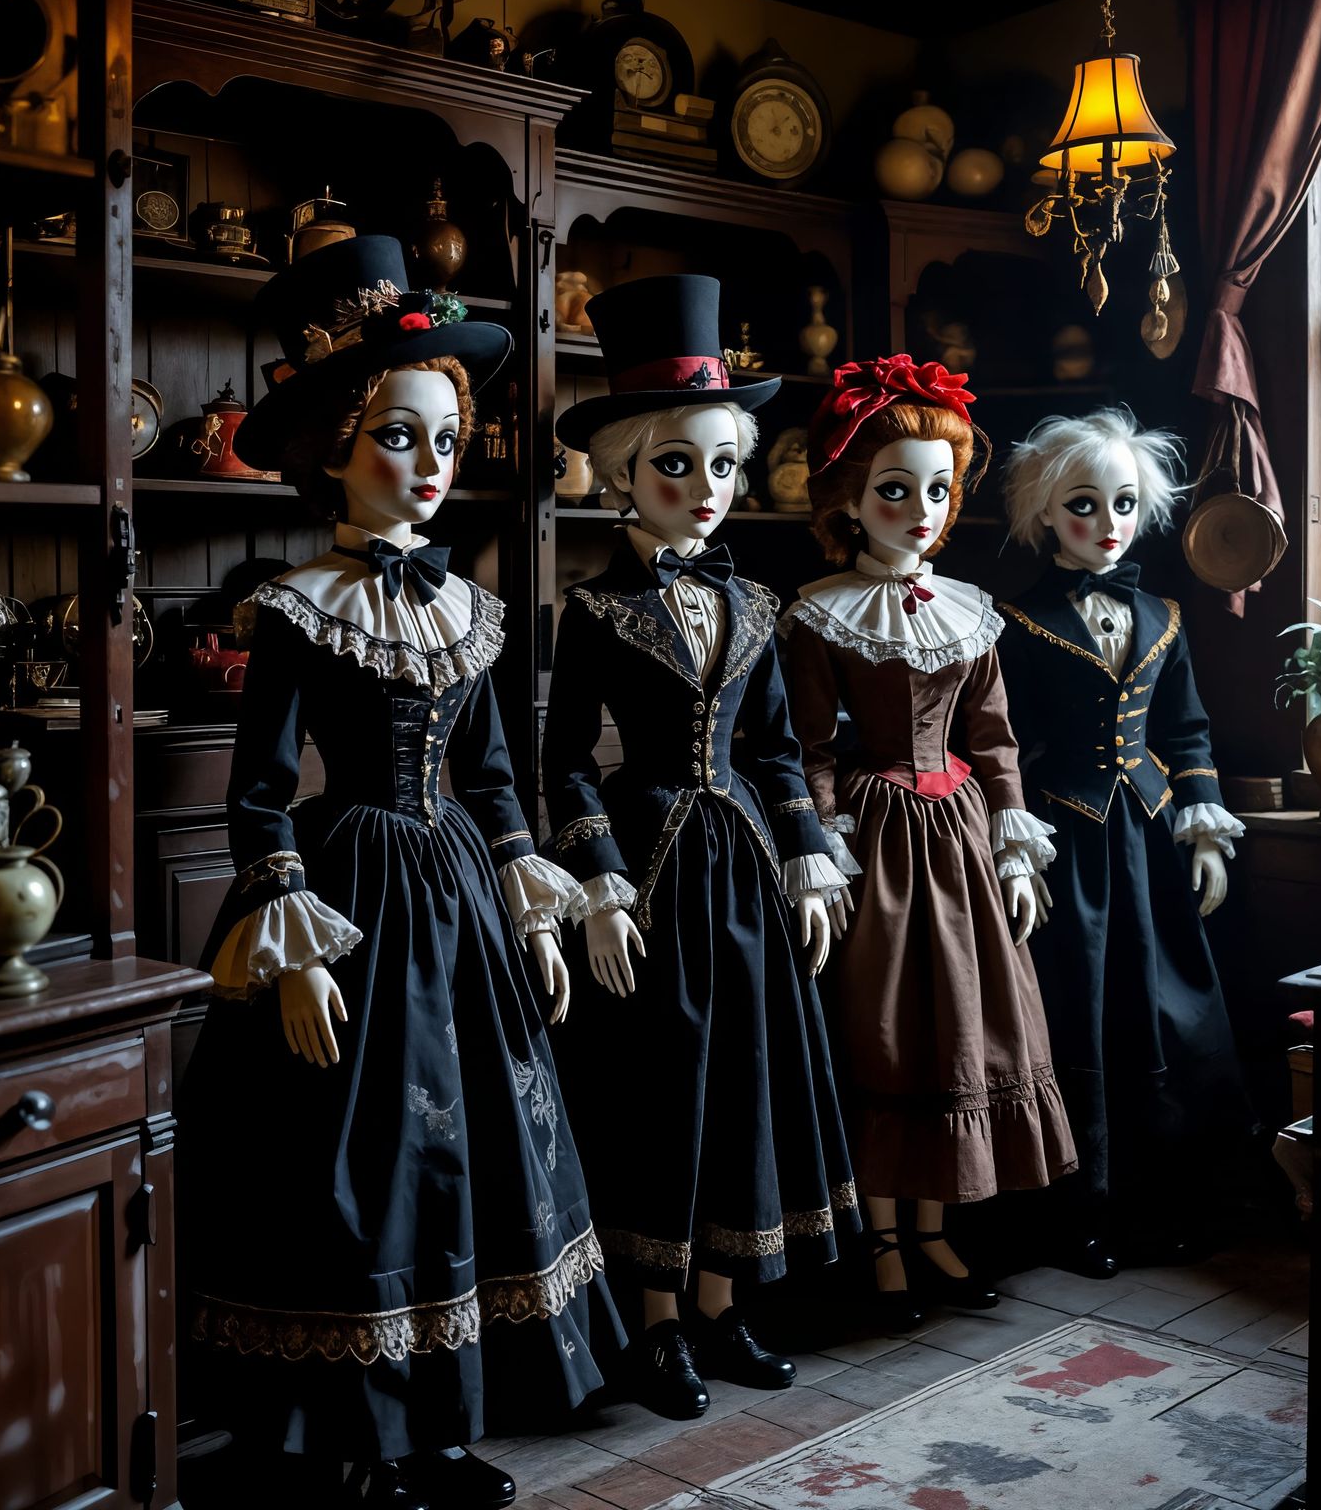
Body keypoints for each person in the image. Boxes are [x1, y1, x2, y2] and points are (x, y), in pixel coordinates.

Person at [181, 238, 621, 1508]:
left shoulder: (466, 607)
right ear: (334, 443)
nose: (428, 469)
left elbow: (491, 778)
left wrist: (534, 894)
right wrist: (292, 939)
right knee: (353, 1170)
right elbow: (260, 788)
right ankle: (349, 1438)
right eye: (398, 439)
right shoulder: (296, 604)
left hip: (463, 898)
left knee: (472, 1156)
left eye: (444, 442)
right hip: (350, 893)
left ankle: (438, 1421)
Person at [541, 274, 857, 1421]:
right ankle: (657, 1321)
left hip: (746, 877)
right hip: (655, 871)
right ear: (622, 472)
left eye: (722, 464)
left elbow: (777, 747)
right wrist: (597, 880)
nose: (707, 491)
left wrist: (808, 853)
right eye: (677, 465)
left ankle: (720, 1300)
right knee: (660, 1090)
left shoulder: (757, 605)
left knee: (744, 1083)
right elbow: (565, 759)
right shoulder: (591, 612)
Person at [780, 355, 1076, 1330]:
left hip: (955, 838)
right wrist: (824, 850)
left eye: (936, 490)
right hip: (880, 845)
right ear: (850, 499)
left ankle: (937, 1224)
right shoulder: (820, 614)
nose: (918, 509)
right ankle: (885, 1236)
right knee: (889, 1033)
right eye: (893, 489)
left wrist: (1014, 846)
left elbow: (992, 742)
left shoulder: (968, 612)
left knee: (962, 1028)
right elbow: (811, 747)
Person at [997, 406, 1253, 1279]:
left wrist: (1205, 830)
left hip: (1149, 841)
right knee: (1086, 1010)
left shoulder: (1166, 616)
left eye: (1123, 506)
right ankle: (1083, 1211)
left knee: (1169, 1010)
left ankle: (1172, 1200)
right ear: (1043, 515)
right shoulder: (1016, 624)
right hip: (1072, 843)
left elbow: (1186, 733)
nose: (1106, 525)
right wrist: (1018, 846)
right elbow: (1002, 744)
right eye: (1083, 506)